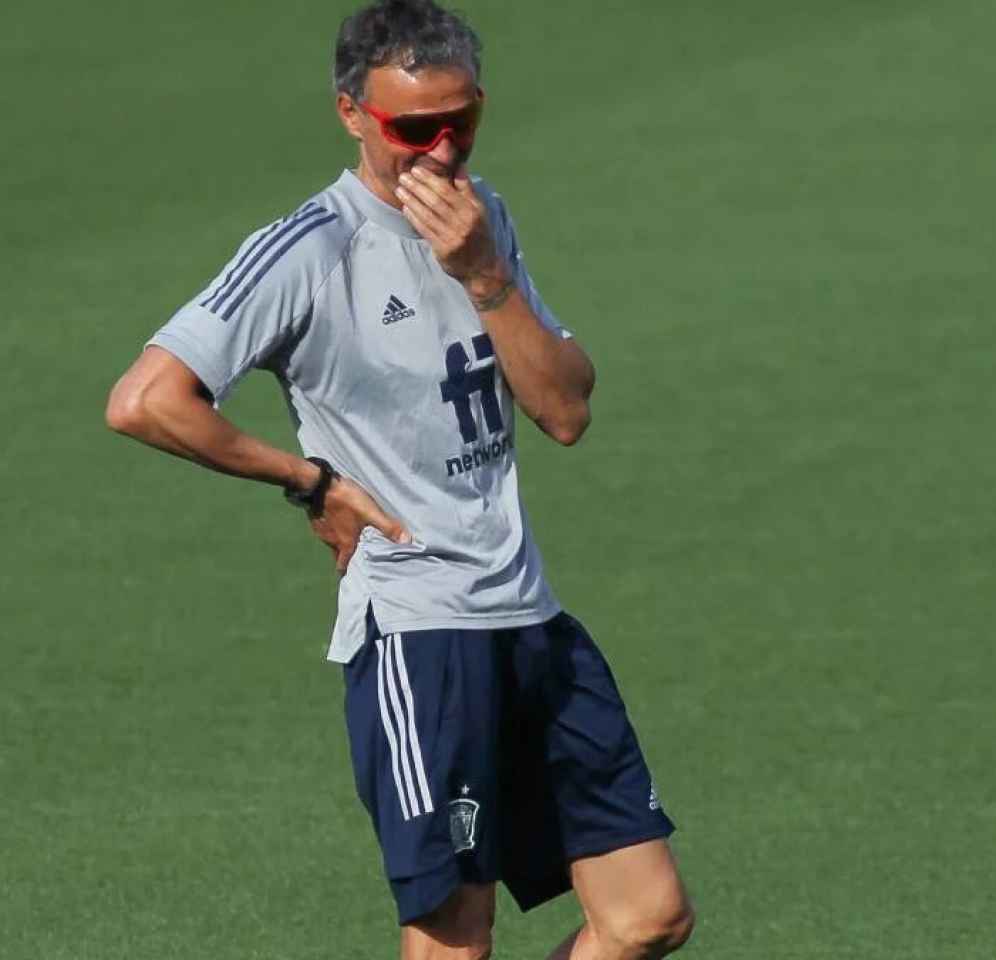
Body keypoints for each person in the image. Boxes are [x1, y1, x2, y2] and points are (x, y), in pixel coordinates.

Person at [103, 2, 692, 957]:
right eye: (414, 128)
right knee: (455, 941)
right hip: (420, 635)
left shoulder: (481, 217)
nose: (442, 148)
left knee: (646, 916)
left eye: (463, 121)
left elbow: (567, 409)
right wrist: (311, 480)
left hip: (527, 616)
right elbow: (146, 400)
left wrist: (482, 273)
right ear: (351, 113)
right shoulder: (309, 249)